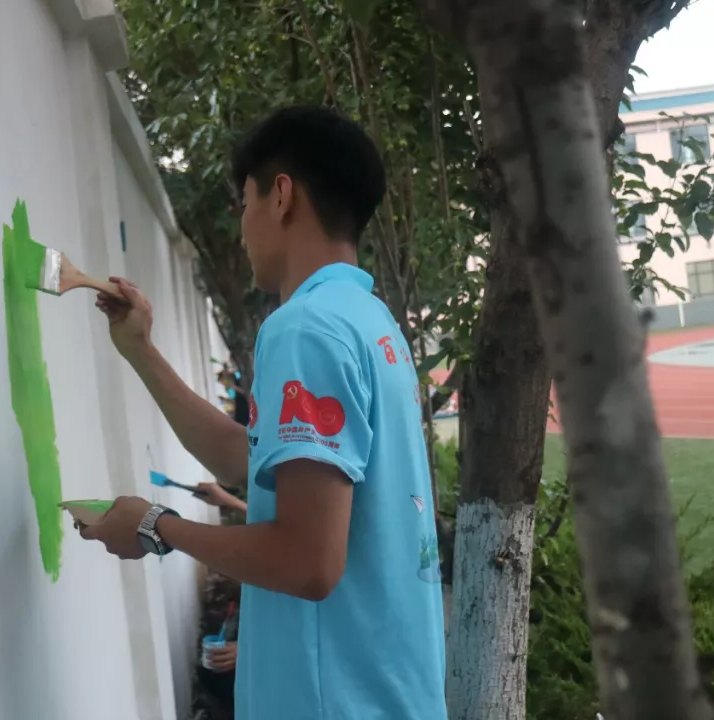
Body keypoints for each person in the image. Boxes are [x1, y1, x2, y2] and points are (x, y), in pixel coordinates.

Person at [80, 106, 447, 719]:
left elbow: (309, 561)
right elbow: (247, 458)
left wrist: (157, 528)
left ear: (281, 196)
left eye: (244, 202)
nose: (242, 227)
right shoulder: (371, 322)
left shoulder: (305, 328)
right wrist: (140, 351)